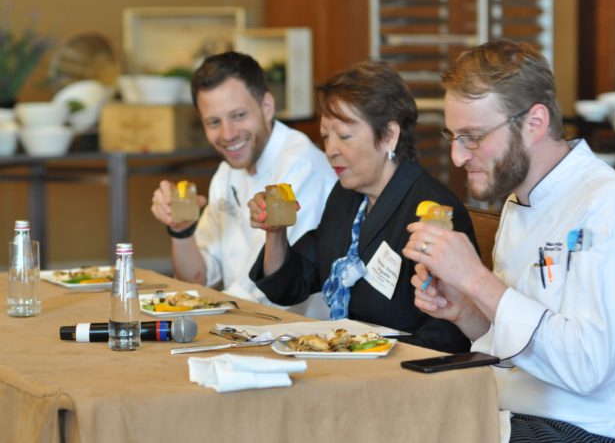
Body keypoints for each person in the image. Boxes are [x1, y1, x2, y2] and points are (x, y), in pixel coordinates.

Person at [404, 39, 615, 442]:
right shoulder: (520, 200)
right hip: (517, 411)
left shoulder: (608, 204)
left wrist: (475, 278)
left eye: (473, 136)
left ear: (534, 122)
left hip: (590, 429)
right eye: (453, 136)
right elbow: (521, 347)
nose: (458, 157)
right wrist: (465, 313)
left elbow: (586, 367)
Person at [248, 60, 476, 353]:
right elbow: (290, 286)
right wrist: (275, 232)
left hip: (404, 372)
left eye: (344, 136)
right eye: (326, 136)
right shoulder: (348, 197)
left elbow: (448, 334)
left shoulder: (432, 209)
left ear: (389, 136)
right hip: (352, 361)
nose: (330, 150)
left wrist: (365, 352)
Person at [150, 51, 336, 316]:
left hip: (297, 337)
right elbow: (196, 278)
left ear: (267, 107)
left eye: (238, 115)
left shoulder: (301, 165)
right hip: (245, 328)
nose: (227, 134)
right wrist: (181, 231)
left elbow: (267, 292)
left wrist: (203, 311)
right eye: (214, 122)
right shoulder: (227, 172)